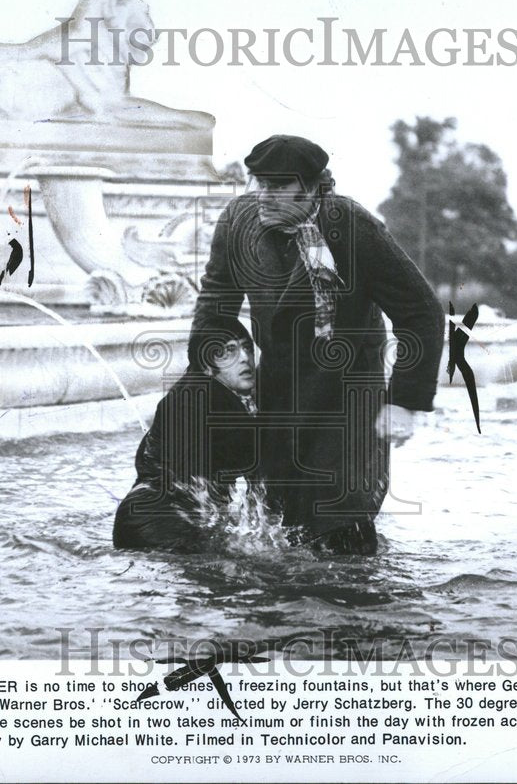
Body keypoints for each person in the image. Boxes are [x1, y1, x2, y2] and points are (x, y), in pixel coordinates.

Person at [190, 134, 445, 555]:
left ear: (311, 187)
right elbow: (215, 307)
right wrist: (209, 378)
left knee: (343, 528)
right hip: (276, 396)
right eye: (259, 184)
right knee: (279, 528)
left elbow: (422, 312)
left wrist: (403, 403)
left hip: (348, 403)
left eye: (278, 187)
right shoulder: (238, 222)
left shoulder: (350, 226)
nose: (263, 198)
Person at [113, 318, 259, 551]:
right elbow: (263, 467)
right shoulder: (212, 398)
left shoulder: (187, 392)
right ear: (207, 363)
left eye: (247, 348)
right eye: (229, 351)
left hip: (138, 518)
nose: (244, 358)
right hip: (165, 523)